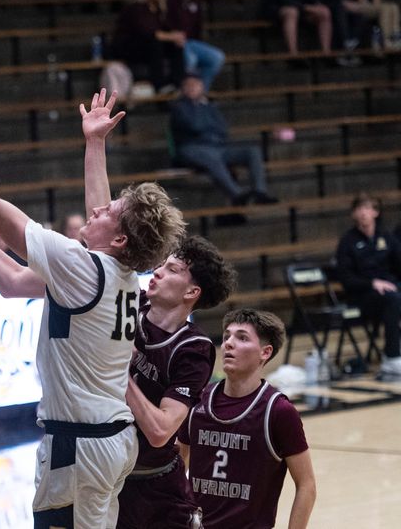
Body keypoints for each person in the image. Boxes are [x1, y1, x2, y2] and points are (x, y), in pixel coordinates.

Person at [0, 88, 186, 527]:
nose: (99, 208)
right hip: (104, 441)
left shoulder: (83, 268)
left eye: (111, 211)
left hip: (81, 445)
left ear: (120, 239)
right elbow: (10, 283)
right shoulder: (114, 274)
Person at [116, 235, 238, 529]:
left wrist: (119, 369)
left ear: (191, 291)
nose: (157, 272)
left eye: (172, 270)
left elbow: (160, 430)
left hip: (156, 487)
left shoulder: (192, 350)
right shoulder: (133, 303)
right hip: (110, 479)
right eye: (161, 265)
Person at [177, 309, 316, 529]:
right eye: (226, 337)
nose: (228, 344)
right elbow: (176, 466)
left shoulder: (278, 411)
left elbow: (306, 484)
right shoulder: (198, 401)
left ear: (265, 352)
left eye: (242, 338)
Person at [170, 73, 279, 208]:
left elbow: (222, 128)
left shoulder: (209, 106)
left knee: (252, 151)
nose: (193, 88)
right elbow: (194, 126)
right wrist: (200, 110)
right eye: (189, 85)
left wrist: (204, 112)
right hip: (193, 147)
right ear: (183, 89)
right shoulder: (179, 107)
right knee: (211, 158)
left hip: (217, 146)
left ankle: (260, 192)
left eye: (196, 85)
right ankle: (237, 195)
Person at [336, 193, 401, 376]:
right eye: (359, 209)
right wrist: (372, 283)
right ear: (353, 214)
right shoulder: (348, 241)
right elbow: (345, 278)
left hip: (390, 289)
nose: (363, 213)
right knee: (393, 299)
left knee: (395, 296)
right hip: (361, 296)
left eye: (368, 208)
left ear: (376, 212)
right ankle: (392, 357)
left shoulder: (386, 237)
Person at [110, 0, 186, 94]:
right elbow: (149, 32)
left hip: (147, 47)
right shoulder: (136, 8)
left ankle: (177, 83)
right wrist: (172, 36)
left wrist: (164, 12)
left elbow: (167, 29)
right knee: (156, 43)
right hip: (128, 48)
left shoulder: (158, 9)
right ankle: (159, 85)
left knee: (176, 45)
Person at [167, 0, 226, 91]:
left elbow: (198, 25)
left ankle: (201, 93)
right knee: (191, 59)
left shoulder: (195, 0)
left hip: (193, 42)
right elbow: (168, 23)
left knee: (218, 57)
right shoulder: (171, 0)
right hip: (175, 41)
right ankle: (186, 95)